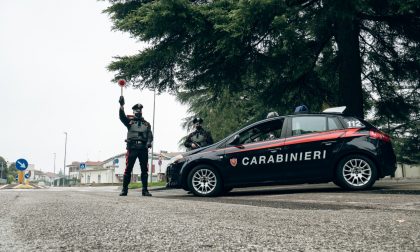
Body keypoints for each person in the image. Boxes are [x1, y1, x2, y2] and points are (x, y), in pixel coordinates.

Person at [118, 96, 153, 197]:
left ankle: (145, 190)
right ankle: (124, 190)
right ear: (133, 112)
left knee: (144, 170)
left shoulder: (147, 124)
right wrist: (121, 106)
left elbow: (150, 135)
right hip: (132, 148)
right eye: (137, 110)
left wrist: (149, 142)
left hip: (143, 148)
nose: (139, 112)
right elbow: (122, 117)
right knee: (128, 168)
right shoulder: (129, 122)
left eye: (140, 110)